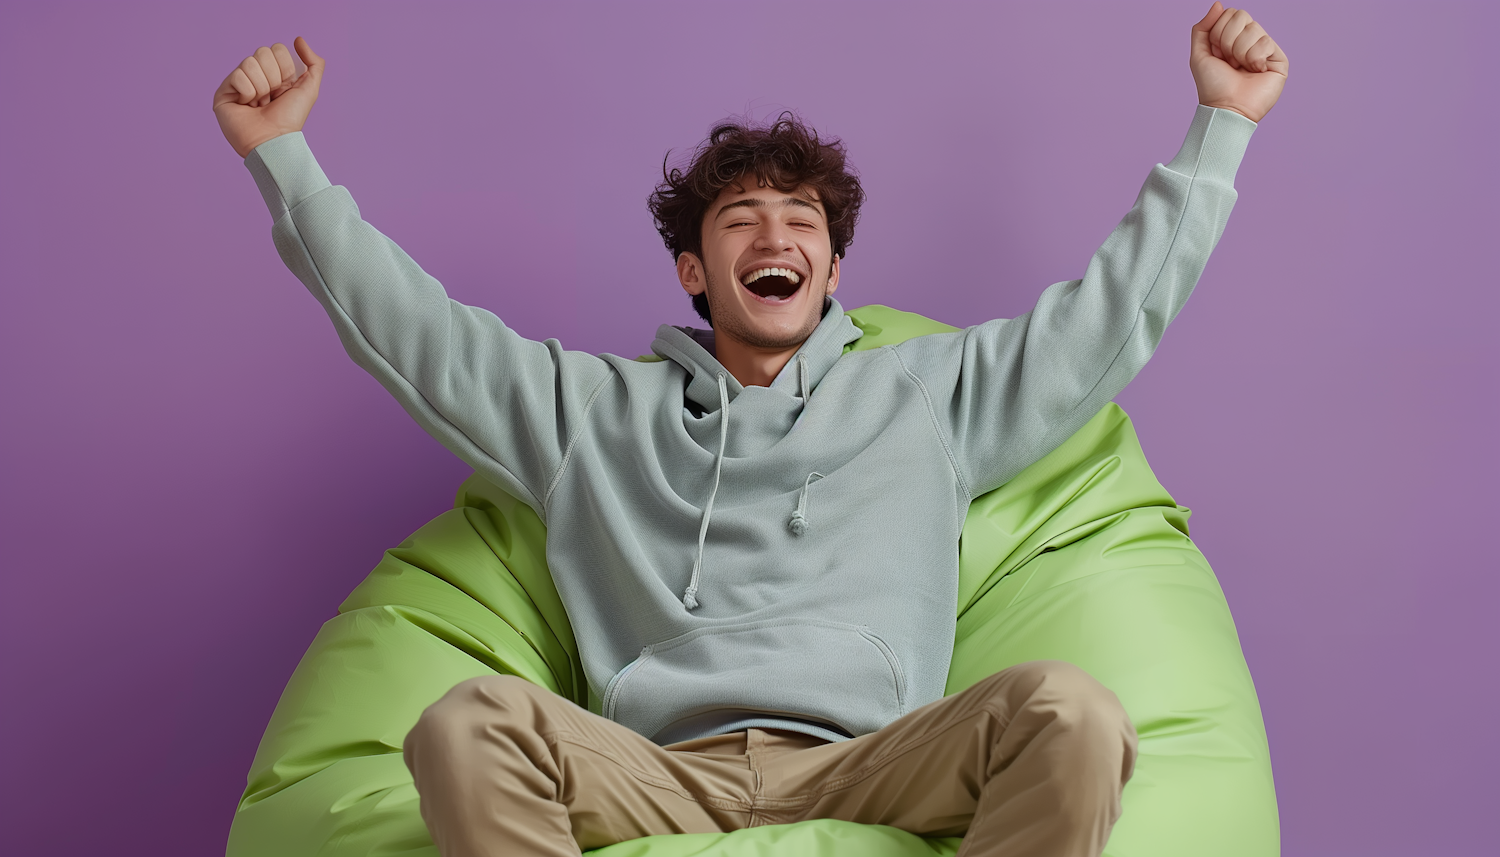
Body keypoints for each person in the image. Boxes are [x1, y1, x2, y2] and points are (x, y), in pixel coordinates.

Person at [213, 3, 1286, 855]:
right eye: (742, 221)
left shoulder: (927, 394)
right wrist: (282, 159)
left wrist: (1221, 124)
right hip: (653, 766)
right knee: (465, 722)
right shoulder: (587, 414)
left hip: (874, 759)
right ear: (696, 270)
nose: (775, 233)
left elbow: (1107, 316)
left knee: (1071, 707)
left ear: (830, 268)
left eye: (801, 221)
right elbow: (414, 334)